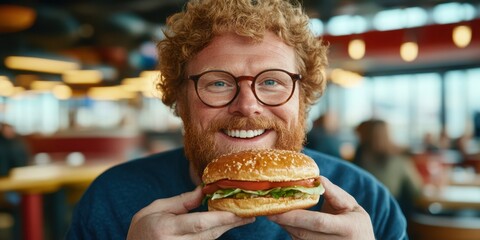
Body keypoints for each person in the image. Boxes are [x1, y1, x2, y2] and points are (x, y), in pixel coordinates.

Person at [67, 0, 407, 239]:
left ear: (304, 98)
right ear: (179, 100)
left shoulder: (367, 203)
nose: (247, 106)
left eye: (272, 82)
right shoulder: (111, 199)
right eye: (218, 82)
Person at [353, 119, 422, 222]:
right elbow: (416, 190)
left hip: (359, 217)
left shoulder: (358, 159)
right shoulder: (400, 160)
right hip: (392, 218)